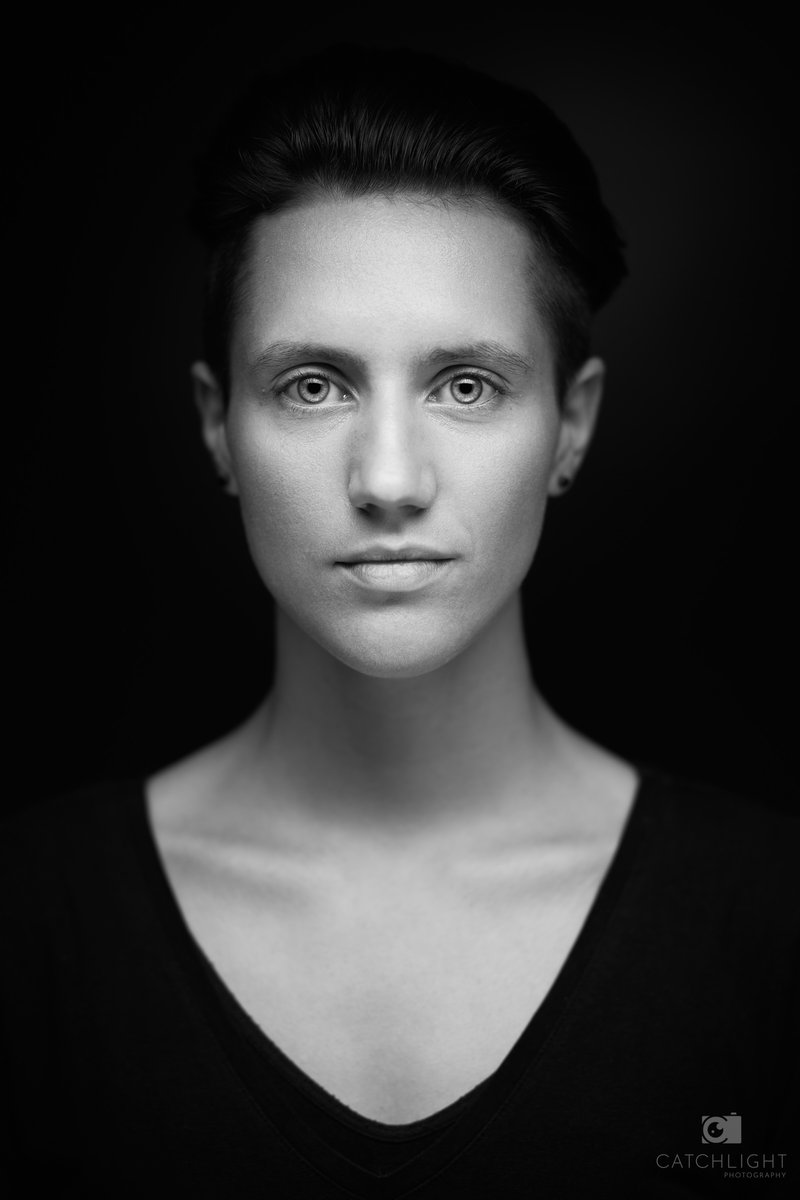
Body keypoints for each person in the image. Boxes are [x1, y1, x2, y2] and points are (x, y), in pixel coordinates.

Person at [1, 43, 796, 1198]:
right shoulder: (32, 925)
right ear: (218, 426)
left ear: (570, 426)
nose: (386, 480)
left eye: (465, 386)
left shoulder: (766, 923)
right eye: (312, 385)